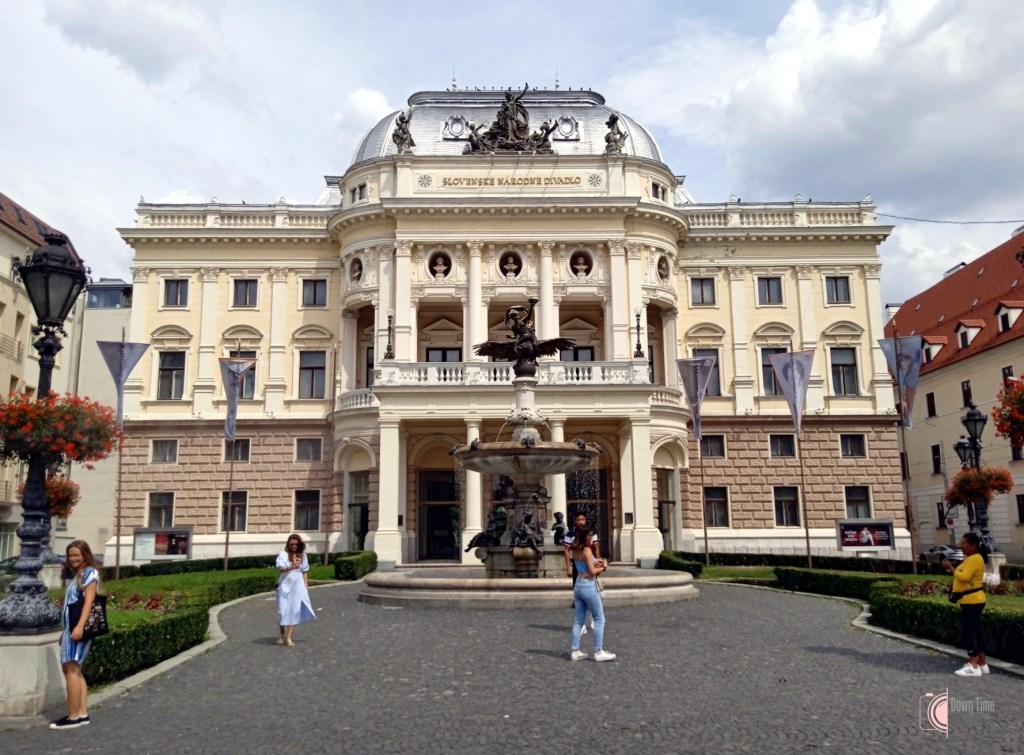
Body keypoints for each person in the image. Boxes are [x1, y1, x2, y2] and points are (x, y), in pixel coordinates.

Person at [51, 539, 100, 730]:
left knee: (70, 670)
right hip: (71, 630)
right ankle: (81, 713)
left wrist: (78, 627)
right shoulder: (80, 574)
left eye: (76, 555)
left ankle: (73, 716)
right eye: (70, 555)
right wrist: (66, 631)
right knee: (76, 670)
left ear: (85, 555)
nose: (72, 558)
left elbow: (89, 602)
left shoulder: (89, 573)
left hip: (77, 630)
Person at [943, 532, 989, 676]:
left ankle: (973, 664)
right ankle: (982, 663)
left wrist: (951, 568)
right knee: (977, 631)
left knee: (968, 632)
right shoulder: (972, 558)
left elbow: (964, 576)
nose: (961, 546)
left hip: (972, 600)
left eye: (963, 543)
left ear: (972, 545)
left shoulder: (974, 558)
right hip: (972, 599)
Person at [568, 526, 615, 662]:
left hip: (578, 584)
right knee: (599, 619)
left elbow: (586, 565)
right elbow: (593, 572)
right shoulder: (587, 550)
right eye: (589, 536)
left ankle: (575, 651)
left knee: (578, 621)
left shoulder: (575, 549)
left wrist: (597, 562)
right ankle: (598, 651)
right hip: (588, 585)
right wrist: (604, 566)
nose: (592, 538)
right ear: (585, 537)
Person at [275, 534, 316, 646]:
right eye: (292, 544)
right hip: (285, 585)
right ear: (288, 544)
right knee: (282, 610)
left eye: (296, 544)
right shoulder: (283, 555)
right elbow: (281, 569)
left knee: (294, 610)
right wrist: (291, 566)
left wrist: (305, 585)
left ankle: (289, 637)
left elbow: (304, 571)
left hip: (297, 586)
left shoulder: (303, 556)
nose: (294, 546)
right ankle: (282, 632)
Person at [564, 513, 601, 633]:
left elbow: (596, 547)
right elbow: (566, 551)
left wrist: (598, 562)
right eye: (578, 519)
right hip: (578, 567)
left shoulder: (591, 532)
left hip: (590, 563)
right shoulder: (570, 533)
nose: (581, 521)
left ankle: (592, 618)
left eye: (583, 519)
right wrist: (568, 567)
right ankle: (581, 623)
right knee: (579, 594)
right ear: (575, 521)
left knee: (594, 592)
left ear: (586, 520)